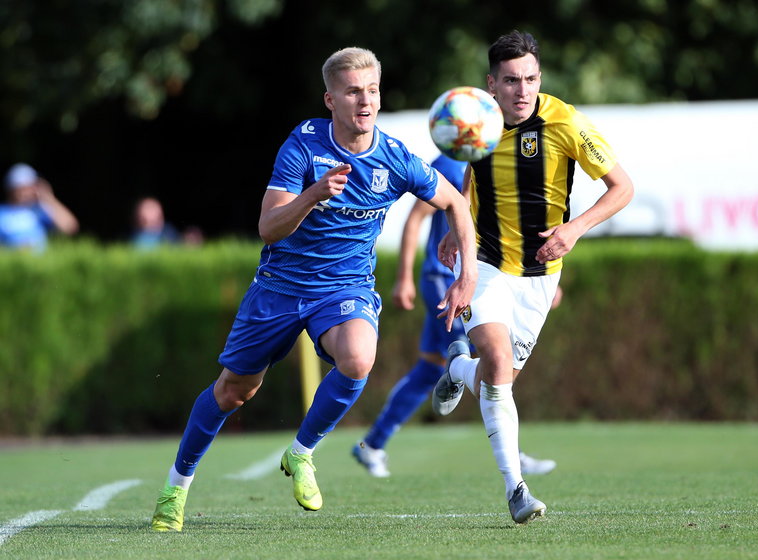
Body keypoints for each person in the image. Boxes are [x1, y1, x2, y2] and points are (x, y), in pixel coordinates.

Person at [151, 46, 477, 532]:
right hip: (279, 287)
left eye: (371, 91)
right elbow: (268, 227)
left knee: (359, 357)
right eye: (352, 92)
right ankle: (174, 490)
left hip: (344, 288)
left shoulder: (396, 158)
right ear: (330, 99)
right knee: (234, 391)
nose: (364, 101)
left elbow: (456, 204)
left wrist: (467, 274)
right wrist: (314, 194)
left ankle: (300, 453)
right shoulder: (302, 146)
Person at [433, 30, 634, 524]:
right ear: (492, 83)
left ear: (539, 78)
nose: (521, 89)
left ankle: (459, 367)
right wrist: (457, 230)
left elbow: (622, 187)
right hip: (485, 263)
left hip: (541, 275)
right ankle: (516, 490)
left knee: (492, 381)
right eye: (510, 80)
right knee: (498, 362)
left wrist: (575, 229)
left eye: (529, 78)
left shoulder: (566, 122)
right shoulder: (474, 121)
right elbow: (467, 176)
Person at [352, 153, 559, 478]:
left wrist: (533, 277)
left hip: (481, 278)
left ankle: (372, 446)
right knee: (490, 359)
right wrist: (405, 275)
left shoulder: (501, 158)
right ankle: (513, 457)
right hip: (443, 279)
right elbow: (416, 217)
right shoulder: (450, 164)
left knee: (429, 370)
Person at [0, 163, 79, 251]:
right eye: (24, 187)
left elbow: (69, 228)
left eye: (32, 187)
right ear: (11, 189)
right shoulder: (2, 212)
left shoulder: (39, 209)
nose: (29, 191)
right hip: (13, 262)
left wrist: (49, 199)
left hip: (39, 263)